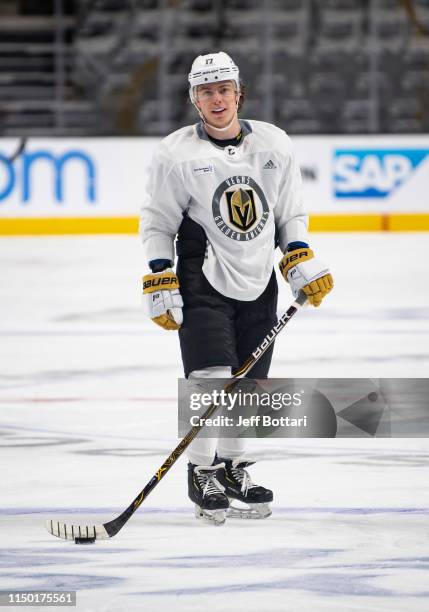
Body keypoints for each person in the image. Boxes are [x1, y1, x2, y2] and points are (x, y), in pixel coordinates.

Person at [140, 51, 333, 525]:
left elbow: (290, 212)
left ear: (238, 92)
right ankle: (201, 472)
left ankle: (231, 470)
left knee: (248, 386)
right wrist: (159, 275)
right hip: (200, 277)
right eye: (206, 91)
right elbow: (157, 220)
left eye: (224, 88)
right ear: (194, 99)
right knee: (209, 378)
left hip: (257, 278)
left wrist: (298, 258)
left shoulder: (273, 143)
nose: (217, 98)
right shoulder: (175, 153)